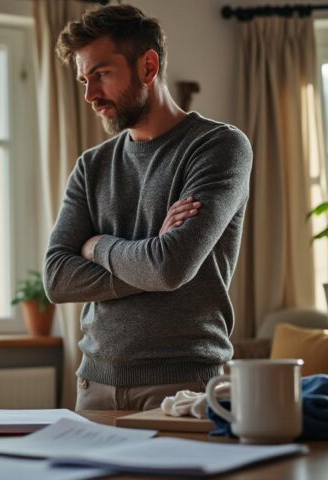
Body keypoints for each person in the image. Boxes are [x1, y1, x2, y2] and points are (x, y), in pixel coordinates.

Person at [44, 5, 252, 411]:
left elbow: (169, 267)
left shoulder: (219, 147)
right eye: (84, 80)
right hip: (94, 387)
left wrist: (97, 245)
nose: (90, 95)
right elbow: (57, 278)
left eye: (101, 74)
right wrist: (150, 258)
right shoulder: (92, 165)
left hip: (186, 387)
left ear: (148, 66)